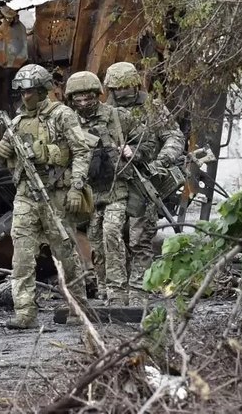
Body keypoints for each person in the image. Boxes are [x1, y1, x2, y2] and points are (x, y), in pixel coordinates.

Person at [0, 64, 91, 329]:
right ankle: (25, 312)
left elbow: (81, 152)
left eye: (31, 91)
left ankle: (78, 307)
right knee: (22, 256)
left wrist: (76, 187)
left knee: (65, 253)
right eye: (22, 92)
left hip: (56, 193)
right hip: (25, 195)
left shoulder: (62, 115)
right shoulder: (15, 123)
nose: (26, 97)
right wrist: (1, 151)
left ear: (43, 90)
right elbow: (6, 160)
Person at [64, 71, 156, 306]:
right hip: (90, 193)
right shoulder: (68, 122)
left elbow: (148, 141)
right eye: (78, 99)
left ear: (98, 95)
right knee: (95, 240)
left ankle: (118, 292)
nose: (84, 104)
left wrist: (132, 151)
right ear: (71, 100)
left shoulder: (117, 116)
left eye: (89, 98)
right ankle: (104, 288)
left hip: (117, 188)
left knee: (112, 233)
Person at [103, 62, 185, 304]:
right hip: (115, 181)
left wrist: (163, 160)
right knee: (111, 235)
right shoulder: (105, 110)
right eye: (116, 88)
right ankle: (114, 292)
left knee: (140, 237)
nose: (122, 92)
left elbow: (173, 136)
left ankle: (140, 291)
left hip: (146, 177)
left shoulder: (151, 107)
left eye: (126, 87)